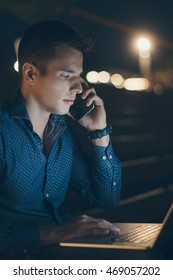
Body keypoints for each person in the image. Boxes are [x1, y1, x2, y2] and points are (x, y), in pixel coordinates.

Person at [0, 20, 121, 259]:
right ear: (30, 73)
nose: (78, 87)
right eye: (66, 75)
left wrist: (100, 132)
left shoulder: (61, 132)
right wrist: (52, 233)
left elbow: (107, 198)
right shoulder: (4, 132)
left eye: (79, 76)